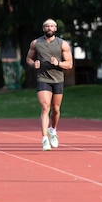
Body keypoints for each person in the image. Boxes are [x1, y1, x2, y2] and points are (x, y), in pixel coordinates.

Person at [25, 19, 73, 151]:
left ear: (55, 29)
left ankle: (53, 130)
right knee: (45, 107)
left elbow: (69, 64)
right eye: (47, 26)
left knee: (56, 109)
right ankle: (44, 138)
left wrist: (58, 63)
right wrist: (33, 64)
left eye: (52, 26)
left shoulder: (62, 44)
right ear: (43, 29)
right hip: (43, 78)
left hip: (57, 79)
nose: (49, 28)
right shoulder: (36, 43)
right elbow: (28, 58)